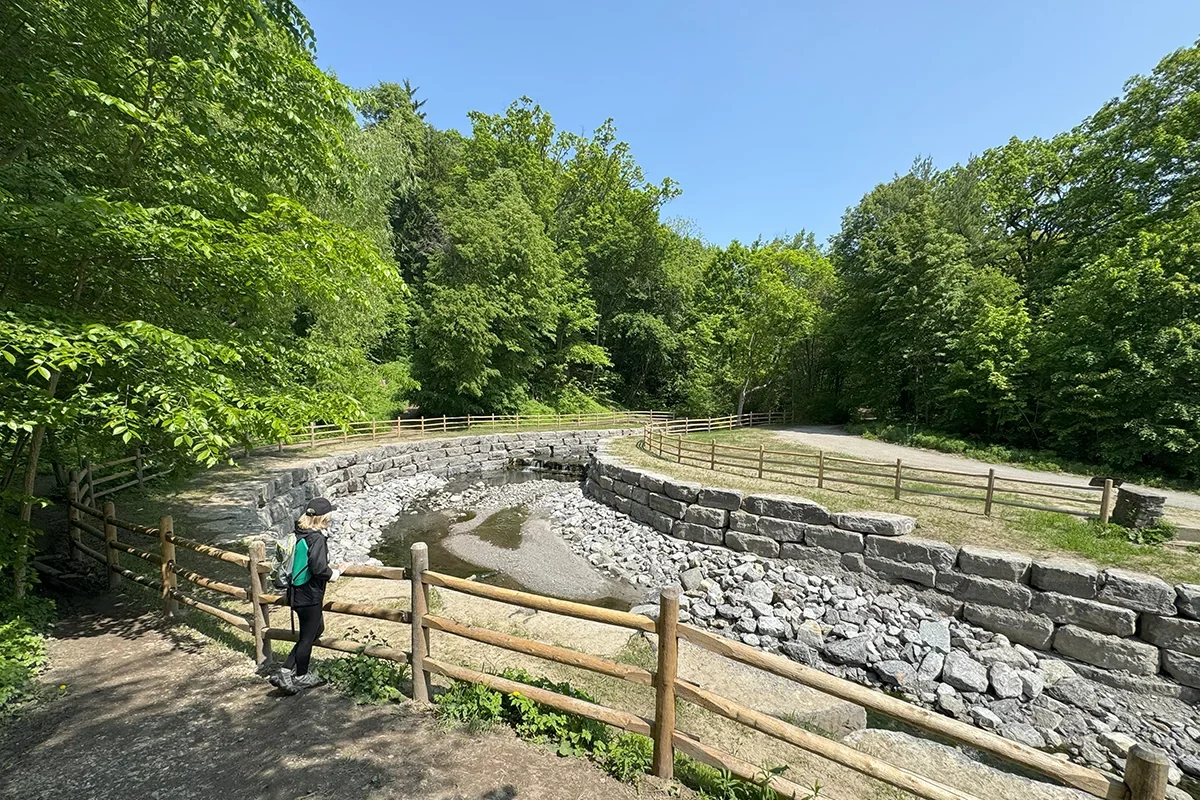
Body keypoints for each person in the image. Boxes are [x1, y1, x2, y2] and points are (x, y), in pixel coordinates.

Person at [270, 497, 347, 694]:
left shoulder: (299, 533)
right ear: (324, 517)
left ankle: (287, 671)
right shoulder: (317, 538)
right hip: (309, 594)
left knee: (315, 630)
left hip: (295, 591)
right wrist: (336, 573)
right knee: (307, 636)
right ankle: (297, 674)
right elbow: (319, 567)